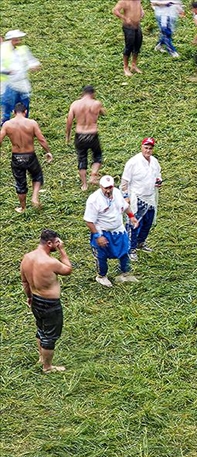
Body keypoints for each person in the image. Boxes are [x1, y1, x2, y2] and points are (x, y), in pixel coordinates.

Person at [20, 229, 73, 373]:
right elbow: (68, 269)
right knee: (50, 336)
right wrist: (62, 250)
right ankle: (47, 367)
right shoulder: (50, 262)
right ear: (49, 243)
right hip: (50, 304)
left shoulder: (27, 258)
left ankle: (41, 358)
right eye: (56, 242)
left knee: (41, 329)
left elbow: (25, 282)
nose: (58, 244)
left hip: (35, 299)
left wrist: (29, 297)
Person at [84, 176, 140, 287]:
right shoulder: (94, 199)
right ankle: (101, 276)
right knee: (101, 256)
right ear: (101, 186)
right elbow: (89, 221)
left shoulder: (117, 194)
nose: (108, 190)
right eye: (106, 188)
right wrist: (98, 236)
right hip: (103, 231)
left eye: (110, 187)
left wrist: (132, 216)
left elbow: (125, 206)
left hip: (118, 230)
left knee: (124, 251)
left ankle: (125, 274)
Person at [0, 103, 52, 212]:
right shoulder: (32, 123)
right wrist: (48, 151)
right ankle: (34, 196)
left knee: (20, 183)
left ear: (13, 112)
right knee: (37, 176)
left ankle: (23, 208)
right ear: (25, 112)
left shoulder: (7, 125)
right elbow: (41, 139)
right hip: (30, 156)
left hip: (17, 157)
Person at [121, 137, 162, 261]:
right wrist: (126, 197)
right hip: (137, 197)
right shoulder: (133, 162)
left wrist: (158, 181)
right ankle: (130, 248)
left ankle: (140, 242)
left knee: (147, 222)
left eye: (150, 148)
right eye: (146, 148)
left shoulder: (154, 161)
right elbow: (124, 182)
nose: (148, 151)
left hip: (150, 196)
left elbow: (158, 175)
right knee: (134, 223)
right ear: (141, 147)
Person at [65, 85, 107, 190]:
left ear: (83, 93)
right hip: (92, 134)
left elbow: (69, 121)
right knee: (97, 156)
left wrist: (68, 136)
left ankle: (84, 185)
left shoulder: (75, 104)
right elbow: (103, 113)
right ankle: (93, 175)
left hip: (79, 135)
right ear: (93, 94)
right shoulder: (96, 103)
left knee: (82, 158)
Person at [0, 30, 41, 124]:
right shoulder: (3, 50)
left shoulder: (22, 49)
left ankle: (23, 124)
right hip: (9, 85)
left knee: (24, 106)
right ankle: (5, 126)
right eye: (16, 40)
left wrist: (34, 65)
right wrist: (7, 71)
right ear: (11, 40)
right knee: (7, 108)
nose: (18, 42)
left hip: (22, 84)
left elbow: (31, 61)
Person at [112, 0, 145, 77]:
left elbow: (139, 5)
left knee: (137, 45)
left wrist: (142, 11)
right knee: (129, 47)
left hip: (137, 25)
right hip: (128, 27)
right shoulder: (124, 1)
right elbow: (115, 10)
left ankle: (133, 65)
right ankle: (126, 68)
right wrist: (125, 18)